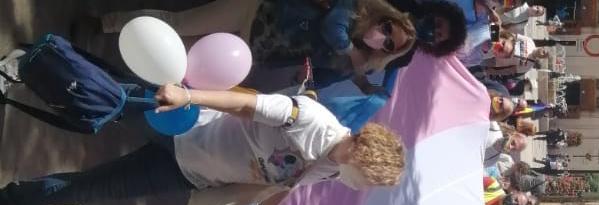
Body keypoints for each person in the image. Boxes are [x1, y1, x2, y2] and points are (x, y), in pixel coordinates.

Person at [0, 84, 405, 205]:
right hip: (184, 126)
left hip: (186, 173)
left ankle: (11, 200)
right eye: (367, 181)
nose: (360, 188)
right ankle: (32, 68)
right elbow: (246, 105)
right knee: (99, 99)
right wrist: (187, 96)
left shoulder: (333, 171)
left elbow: (290, 184)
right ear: (364, 157)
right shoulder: (311, 120)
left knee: (89, 188)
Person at [95, 0, 417, 92]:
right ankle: (108, 23)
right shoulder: (355, 8)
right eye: (388, 28)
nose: (383, 36)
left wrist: (357, 74)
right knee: (177, 24)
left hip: (246, 51)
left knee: (179, 62)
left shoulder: (354, 59)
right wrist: (352, 53)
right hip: (253, 11)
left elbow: (319, 79)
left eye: (389, 44)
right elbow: (332, 26)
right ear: (385, 16)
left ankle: (111, 72)